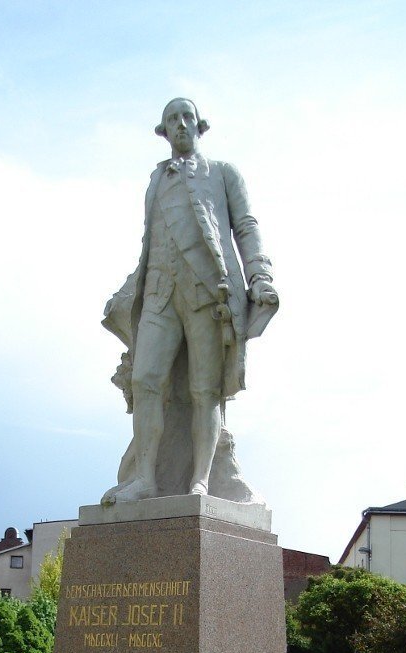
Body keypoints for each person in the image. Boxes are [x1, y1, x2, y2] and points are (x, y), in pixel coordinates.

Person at [101, 97, 278, 506]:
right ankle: (144, 478)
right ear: (163, 131)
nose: (181, 124)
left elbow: (246, 228)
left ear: (200, 126)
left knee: (206, 391)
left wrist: (260, 277)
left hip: (207, 293)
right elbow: (150, 246)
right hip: (160, 293)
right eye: (172, 120)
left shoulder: (222, 174)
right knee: (145, 380)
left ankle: (201, 479)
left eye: (187, 117)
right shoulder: (156, 181)